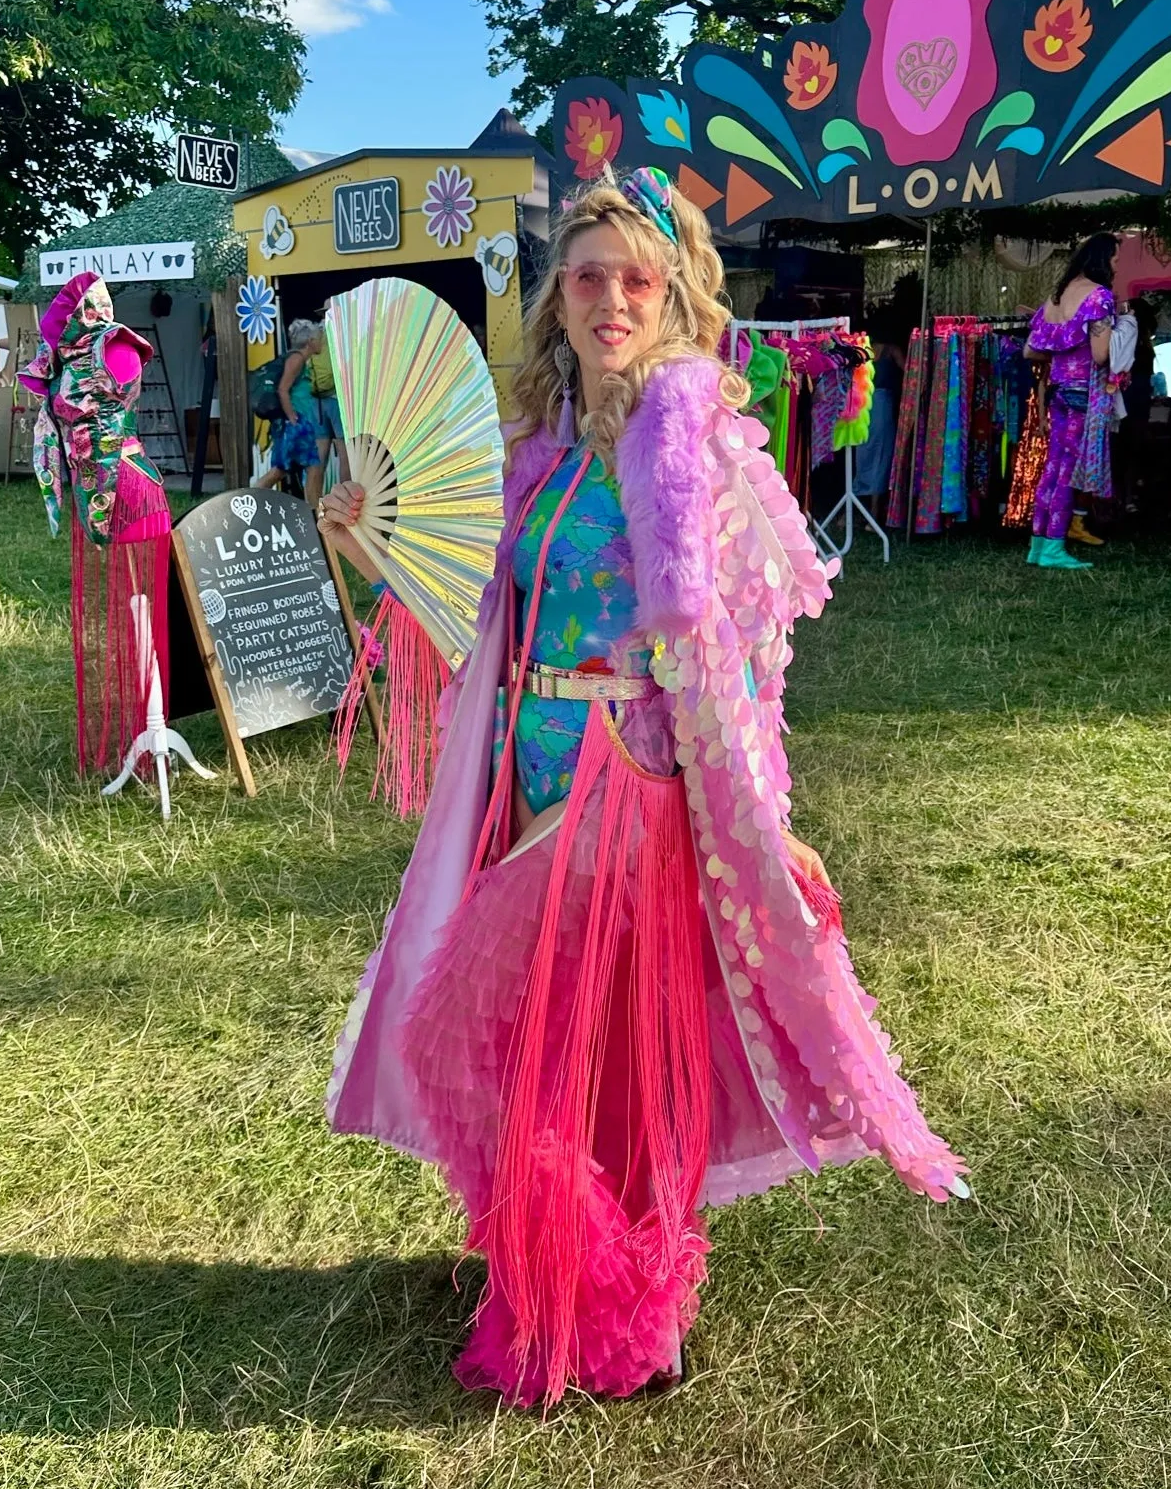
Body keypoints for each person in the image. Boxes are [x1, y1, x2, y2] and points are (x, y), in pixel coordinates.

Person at [320, 167, 967, 1410]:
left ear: (670, 293)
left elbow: (731, 659)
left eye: (634, 278)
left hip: (628, 786)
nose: (609, 299)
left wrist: (765, 821)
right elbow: (478, 623)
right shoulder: (540, 452)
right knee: (505, 1045)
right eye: (586, 276)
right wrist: (368, 536)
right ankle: (558, 1272)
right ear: (555, 294)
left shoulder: (693, 443)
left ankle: (622, 1303)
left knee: (601, 1052)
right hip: (526, 777)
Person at [17, 274, 169, 774]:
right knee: (125, 610)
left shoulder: (114, 343)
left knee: (144, 613)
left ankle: (155, 729)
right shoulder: (66, 355)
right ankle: (139, 730)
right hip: (94, 490)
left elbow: (111, 406)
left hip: (125, 485)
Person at [1023, 233, 1117, 570]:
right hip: (1083, 394)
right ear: (1102, 260)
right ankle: (1054, 547)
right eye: (1116, 259)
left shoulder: (1056, 297)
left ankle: (1038, 544)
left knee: (1051, 470)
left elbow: (1029, 349)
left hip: (1059, 391)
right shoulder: (1100, 297)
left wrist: (1061, 353)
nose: (1117, 266)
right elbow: (1100, 354)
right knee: (1067, 474)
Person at [278, 315, 350, 507]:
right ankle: (346, 503)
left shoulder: (313, 335)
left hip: (315, 403)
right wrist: (292, 418)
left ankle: (313, 507)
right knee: (345, 453)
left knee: (317, 456)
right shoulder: (340, 333)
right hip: (336, 400)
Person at [257, 318, 322, 497]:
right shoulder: (297, 359)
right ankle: (314, 513)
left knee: (298, 467)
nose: (320, 341)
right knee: (296, 468)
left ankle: (314, 512)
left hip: (297, 422)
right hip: (295, 423)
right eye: (318, 337)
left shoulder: (299, 359)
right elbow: (283, 389)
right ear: (310, 341)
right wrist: (293, 418)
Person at [853, 330, 903, 523]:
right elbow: (910, 371)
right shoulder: (892, 350)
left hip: (862, 405)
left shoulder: (862, 349)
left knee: (863, 454)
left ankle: (857, 508)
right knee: (881, 456)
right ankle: (873, 513)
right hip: (881, 405)